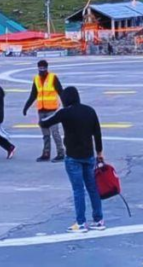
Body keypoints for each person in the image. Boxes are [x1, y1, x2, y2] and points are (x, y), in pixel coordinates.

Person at [41, 86, 105, 232]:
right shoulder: (90, 110)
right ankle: (99, 219)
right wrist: (99, 152)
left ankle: (81, 222)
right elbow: (97, 133)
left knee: (78, 190)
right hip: (89, 155)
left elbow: (45, 122)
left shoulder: (65, 113)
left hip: (73, 157)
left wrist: (51, 113)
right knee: (92, 188)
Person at [23, 59, 66, 162]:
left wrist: (66, 106)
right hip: (41, 110)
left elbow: (61, 92)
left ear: (47, 68)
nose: (41, 70)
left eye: (43, 68)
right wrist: (26, 107)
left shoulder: (52, 78)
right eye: (40, 68)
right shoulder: (36, 79)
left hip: (52, 110)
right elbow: (33, 94)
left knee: (55, 132)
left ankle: (61, 153)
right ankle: (46, 153)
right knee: (45, 134)